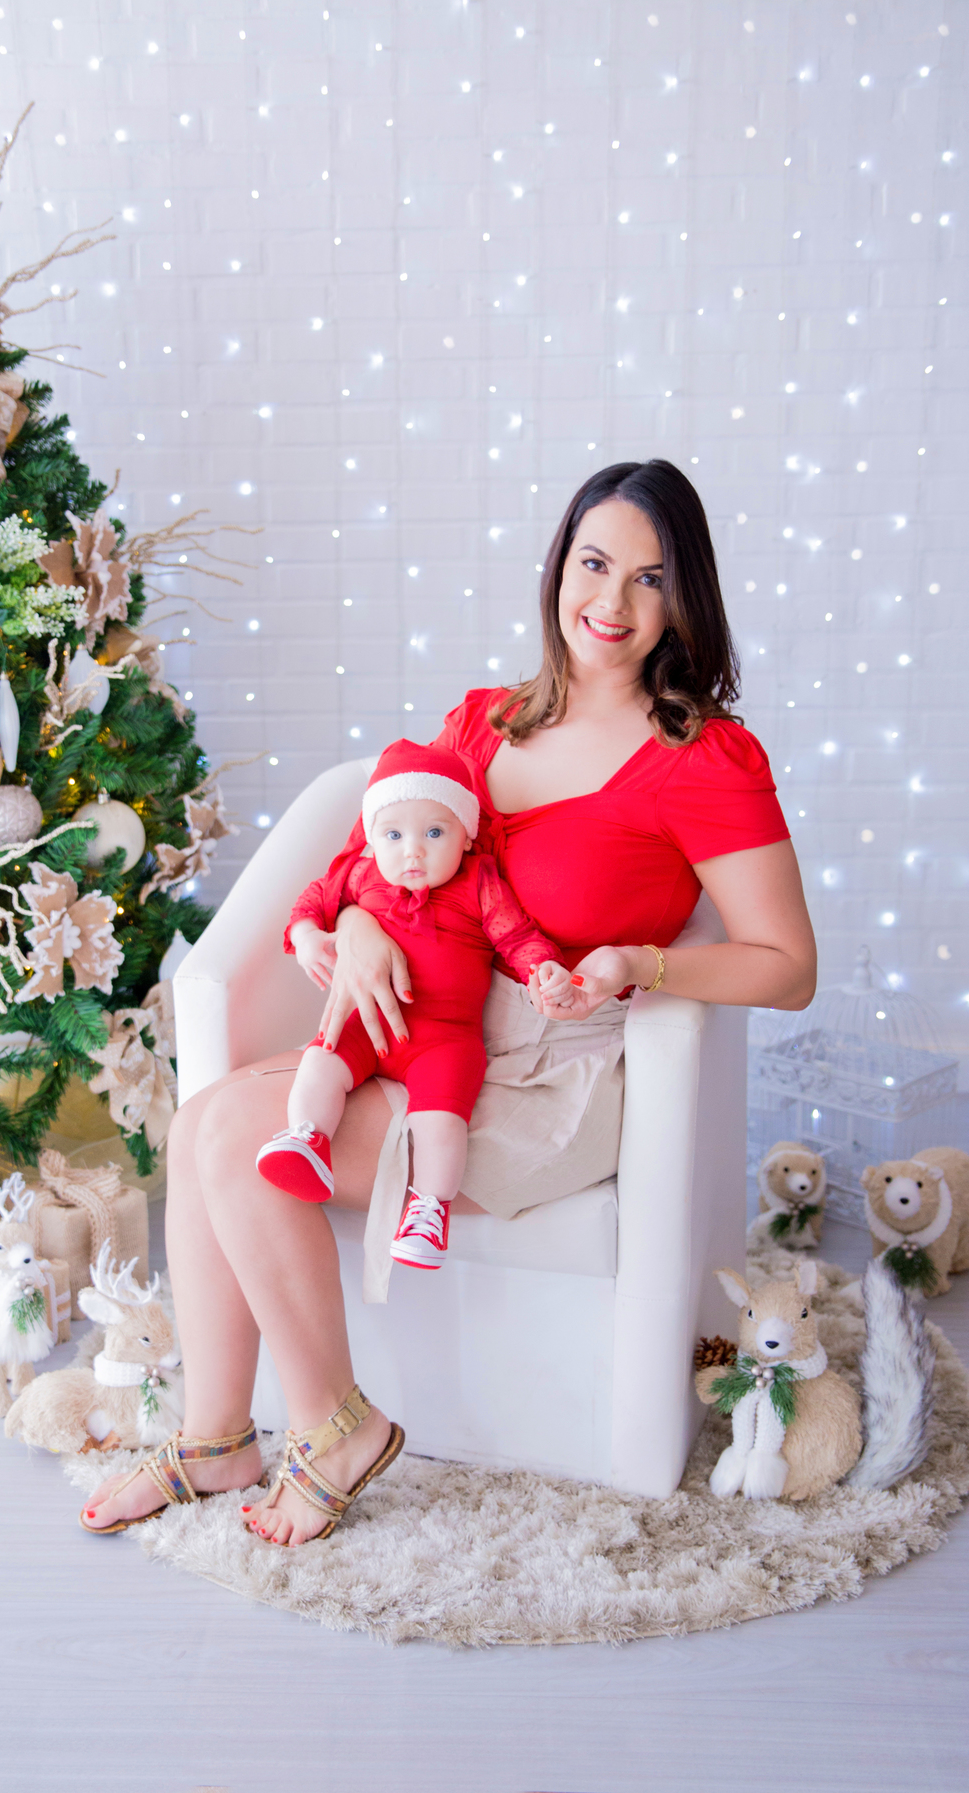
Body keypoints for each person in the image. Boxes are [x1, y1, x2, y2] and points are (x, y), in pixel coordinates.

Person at [79, 458, 816, 1549]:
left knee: (233, 1137)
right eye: (594, 563)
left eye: (650, 579)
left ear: (684, 599)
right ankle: (215, 1439)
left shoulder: (703, 757)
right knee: (201, 1126)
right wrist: (359, 926)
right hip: (427, 1019)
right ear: (558, 567)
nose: (612, 603)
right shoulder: (481, 722)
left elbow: (787, 964)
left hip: (551, 1064)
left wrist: (642, 964)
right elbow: (371, 859)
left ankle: (335, 1428)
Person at [256, 738, 573, 1270]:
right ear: (372, 839)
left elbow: (516, 937)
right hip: (367, 1022)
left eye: (434, 833)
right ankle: (308, 1139)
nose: (413, 851)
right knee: (320, 1060)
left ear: (465, 836)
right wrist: (308, 936)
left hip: (443, 1040)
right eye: (394, 835)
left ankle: (428, 1209)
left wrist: (543, 969)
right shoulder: (362, 877)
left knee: (440, 1123)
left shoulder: (479, 883)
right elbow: (313, 900)